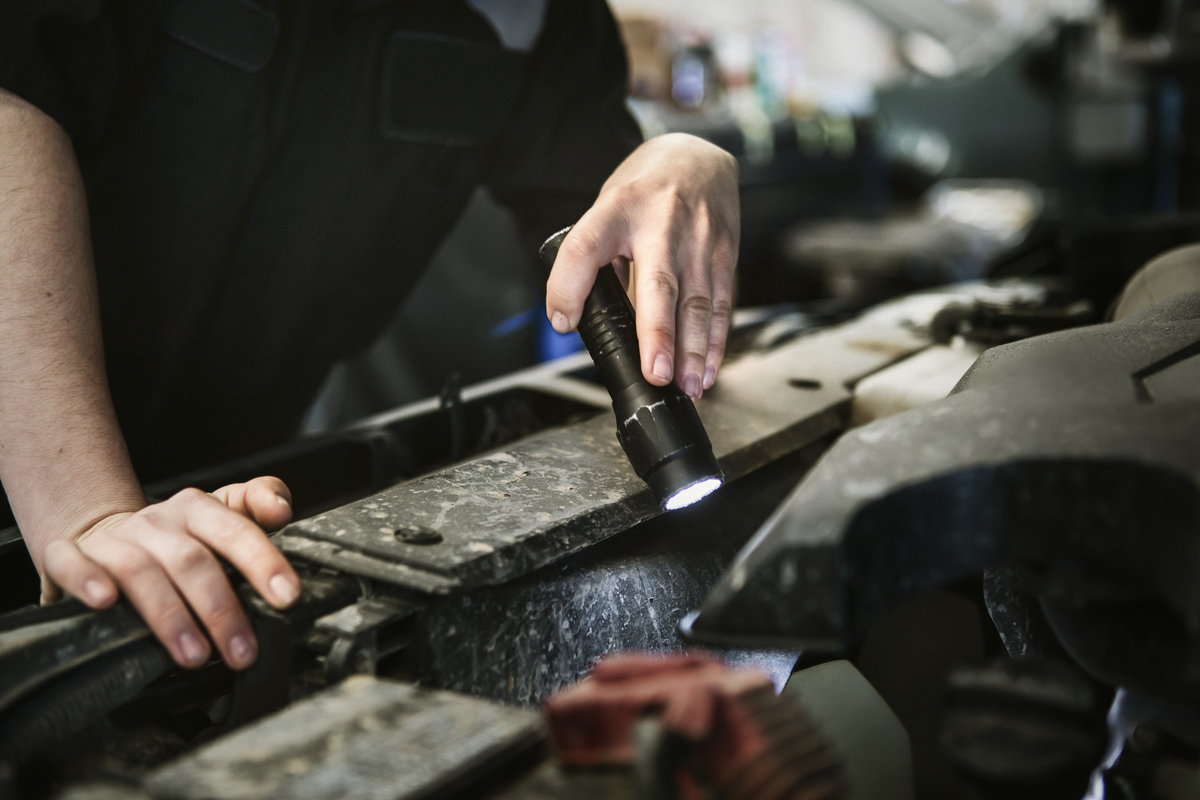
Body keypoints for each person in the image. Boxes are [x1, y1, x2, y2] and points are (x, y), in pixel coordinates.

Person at [0, 0, 738, 671]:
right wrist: (87, 510)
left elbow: (594, 222)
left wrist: (673, 161)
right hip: (42, 469)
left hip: (223, 492)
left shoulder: (541, 20)